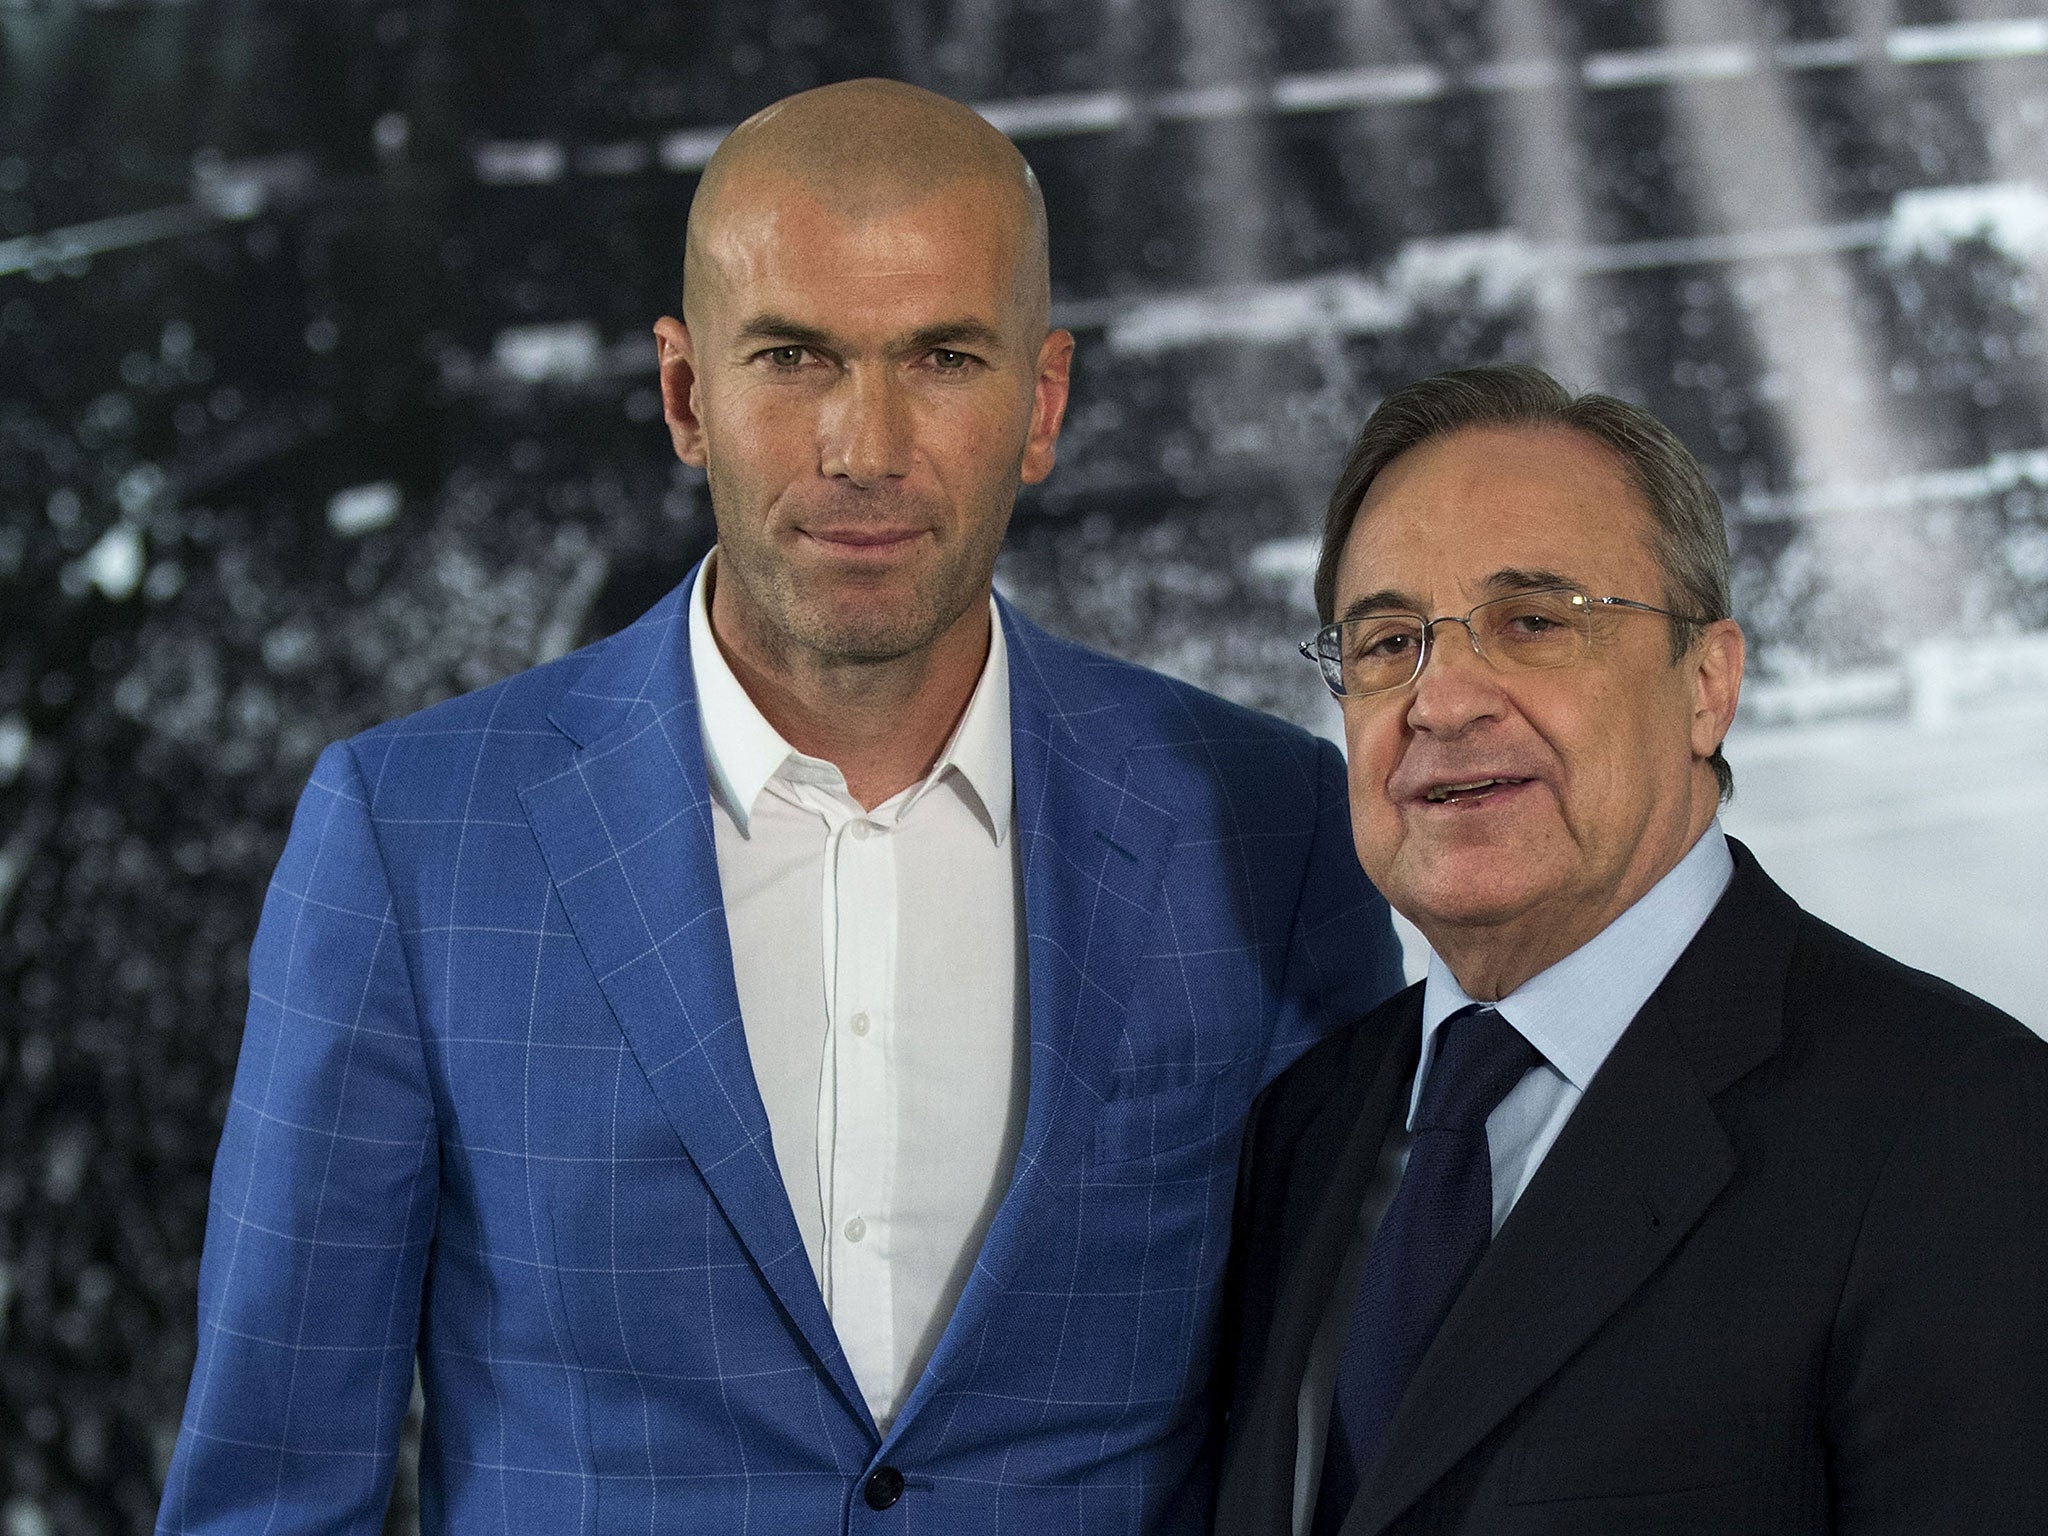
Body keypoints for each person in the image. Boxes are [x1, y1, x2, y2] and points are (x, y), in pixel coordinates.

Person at [156, 80, 1404, 1534]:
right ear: (686, 396)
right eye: (795, 355)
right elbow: (271, 1489)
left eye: (941, 357)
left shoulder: (1266, 820)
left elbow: (1337, 1426)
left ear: (1043, 401)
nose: (864, 446)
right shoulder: (409, 835)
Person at [1214, 364, 2048, 1536]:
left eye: (1533, 622)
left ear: (1705, 686)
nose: (1441, 700)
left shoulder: (1957, 1122)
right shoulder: (1302, 1124)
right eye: (1386, 640)